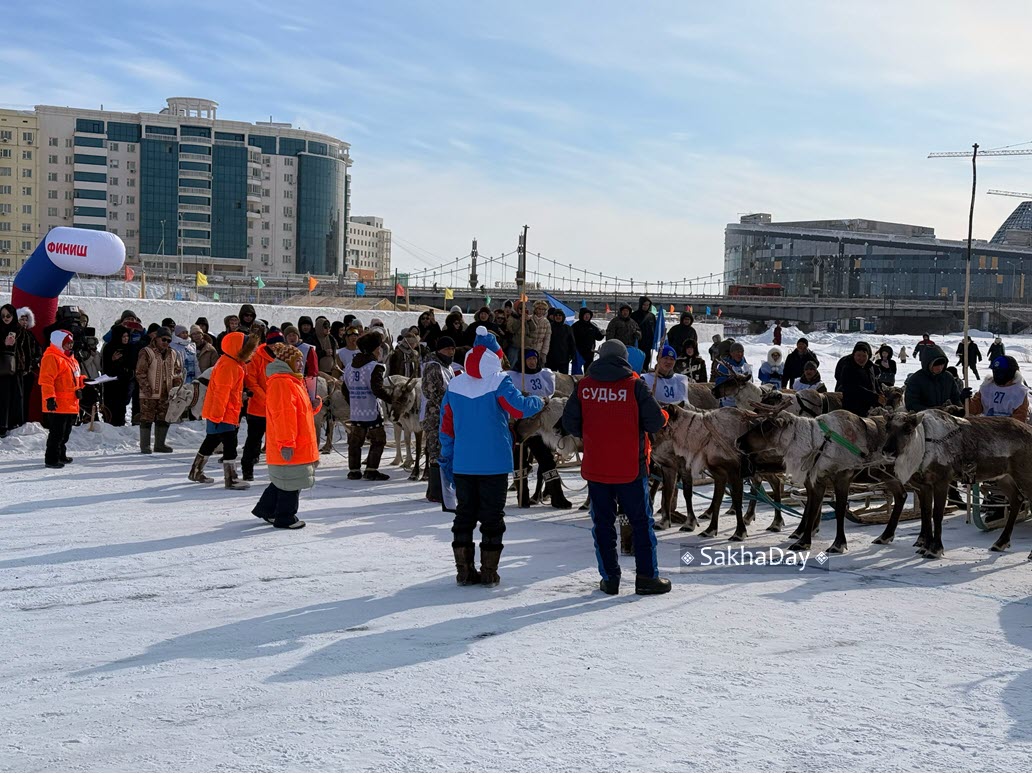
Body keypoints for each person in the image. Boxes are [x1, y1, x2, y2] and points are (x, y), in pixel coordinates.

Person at [562, 338, 670, 596]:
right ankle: (646, 578)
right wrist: (664, 415)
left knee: (603, 525)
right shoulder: (635, 386)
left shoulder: (584, 386)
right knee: (641, 523)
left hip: (597, 467)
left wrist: (590, 433)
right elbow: (656, 423)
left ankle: (610, 579)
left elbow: (569, 422)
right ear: (624, 358)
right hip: (630, 468)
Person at [439, 327, 544, 586]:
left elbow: (446, 428)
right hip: (494, 464)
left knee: (464, 516)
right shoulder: (499, 381)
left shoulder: (455, 383)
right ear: (495, 357)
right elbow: (518, 409)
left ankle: (463, 570)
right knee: (492, 518)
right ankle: (489, 571)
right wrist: (539, 401)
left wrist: (448, 457)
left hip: (463, 463)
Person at [251, 343, 319, 530]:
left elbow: (299, 413)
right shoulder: (283, 382)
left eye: (301, 361)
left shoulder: (292, 381)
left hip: (298, 441)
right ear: (287, 361)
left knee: (283, 480)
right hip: (291, 443)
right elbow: (283, 416)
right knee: (291, 481)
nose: (300, 365)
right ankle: (285, 517)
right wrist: (286, 443)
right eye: (297, 361)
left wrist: (313, 406)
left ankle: (266, 509)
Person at [189, 331, 259, 488]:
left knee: (211, 440)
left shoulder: (230, 362)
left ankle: (195, 471)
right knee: (230, 444)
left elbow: (228, 390)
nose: (252, 353)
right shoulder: (229, 365)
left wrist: (241, 395)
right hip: (223, 413)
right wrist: (218, 415)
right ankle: (231, 478)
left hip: (221, 411)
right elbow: (222, 392)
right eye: (250, 349)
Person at [506, 349, 570, 508]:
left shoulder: (544, 375)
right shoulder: (513, 377)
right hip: (520, 425)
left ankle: (556, 495)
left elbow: (548, 394)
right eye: (528, 359)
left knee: (547, 461)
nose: (532, 362)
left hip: (540, 424)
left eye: (534, 359)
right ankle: (523, 496)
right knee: (519, 462)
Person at [342, 331, 392, 481]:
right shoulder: (375, 367)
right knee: (379, 439)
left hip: (356, 410)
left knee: (356, 440)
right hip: (371, 409)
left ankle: (354, 470)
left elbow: (345, 389)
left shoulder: (350, 366)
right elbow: (377, 389)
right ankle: (371, 469)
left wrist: (354, 402)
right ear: (374, 349)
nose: (380, 350)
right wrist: (392, 399)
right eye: (379, 347)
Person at [38, 330, 84, 468]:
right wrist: (50, 398)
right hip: (57, 404)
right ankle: (51, 459)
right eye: (67, 343)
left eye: (71, 343)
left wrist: (83, 382)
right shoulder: (51, 357)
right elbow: (46, 381)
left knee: (65, 433)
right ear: (59, 343)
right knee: (56, 433)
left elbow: (74, 378)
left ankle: (61, 454)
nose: (70, 346)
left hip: (70, 403)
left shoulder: (71, 359)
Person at [135, 327, 183, 453]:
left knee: (164, 418)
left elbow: (177, 372)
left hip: (167, 393)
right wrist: (146, 387)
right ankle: (145, 445)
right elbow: (140, 372)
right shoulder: (146, 352)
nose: (166, 343)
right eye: (163, 339)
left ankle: (160, 444)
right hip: (149, 392)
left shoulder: (173, 353)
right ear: (156, 338)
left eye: (168, 340)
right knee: (147, 418)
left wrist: (176, 387)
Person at [421, 336, 458, 503]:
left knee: (443, 452)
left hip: (445, 415)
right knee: (436, 453)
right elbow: (430, 392)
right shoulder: (433, 367)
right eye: (447, 349)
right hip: (435, 415)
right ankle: (435, 491)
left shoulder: (447, 367)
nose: (451, 352)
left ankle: (440, 489)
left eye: (453, 349)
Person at [240, 329, 280, 481]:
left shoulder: (284, 357)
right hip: (258, 409)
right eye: (274, 342)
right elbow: (251, 382)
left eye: (279, 342)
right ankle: (247, 470)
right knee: (253, 441)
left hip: (277, 409)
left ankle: (276, 473)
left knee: (276, 443)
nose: (277, 346)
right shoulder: (256, 357)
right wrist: (267, 398)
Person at [904, 343, 969, 412]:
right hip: (923, 417)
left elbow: (955, 399)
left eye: (942, 365)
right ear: (928, 364)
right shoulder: (916, 380)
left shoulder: (948, 377)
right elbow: (911, 404)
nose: (940, 368)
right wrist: (932, 410)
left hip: (946, 416)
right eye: (936, 365)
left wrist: (961, 398)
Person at [969, 355, 1029, 421]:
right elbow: (974, 409)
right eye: (995, 371)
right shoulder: (987, 387)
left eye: (1001, 372)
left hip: (1008, 429)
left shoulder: (1019, 392)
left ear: (1011, 372)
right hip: (986, 428)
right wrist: (967, 401)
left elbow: (1019, 420)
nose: (997, 374)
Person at [834, 342, 883, 417]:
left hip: (869, 406)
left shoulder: (870, 367)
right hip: (852, 407)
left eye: (864, 356)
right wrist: (874, 396)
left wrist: (880, 393)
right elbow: (852, 387)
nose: (861, 359)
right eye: (858, 355)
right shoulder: (848, 368)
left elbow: (875, 382)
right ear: (854, 355)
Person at [101, 324, 134, 426]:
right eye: (123, 336)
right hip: (111, 386)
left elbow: (131, 365)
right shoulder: (109, 348)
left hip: (124, 384)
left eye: (127, 336)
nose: (126, 339)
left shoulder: (129, 348)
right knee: (110, 410)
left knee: (121, 410)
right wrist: (113, 360)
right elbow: (105, 368)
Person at [0, 304, 23, 436]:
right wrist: (4, 344)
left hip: (17, 368)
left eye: (8, 315)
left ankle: (14, 423)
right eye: (3, 316)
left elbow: (25, 349)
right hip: (2, 368)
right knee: (3, 397)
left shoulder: (19, 329)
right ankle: (2, 425)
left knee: (16, 396)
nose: (5, 318)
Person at [16, 306, 41, 424]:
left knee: (26, 398)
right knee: (16, 398)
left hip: (29, 371)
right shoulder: (14, 334)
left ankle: (24, 420)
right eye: (22, 319)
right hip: (16, 372)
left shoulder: (30, 335)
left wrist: (34, 362)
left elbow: (38, 350)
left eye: (26, 319)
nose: (24, 322)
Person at [284, 324, 320, 403]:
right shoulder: (283, 350)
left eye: (294, 335)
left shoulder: (307, 348)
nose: (292, 338)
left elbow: (313, 368)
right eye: (289, 336)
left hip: (304, 381)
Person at [714, 342, 752, 407]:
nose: (740, 354)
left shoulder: (746, 367)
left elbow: (751, 383)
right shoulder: (724, 366)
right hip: (728, 403)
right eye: (737, 352)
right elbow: (718, 382)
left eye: (741, 352)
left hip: (743, 403)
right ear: (731, 353)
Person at [571, 307, 604, 374]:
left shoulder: (592, 326)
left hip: (589, 352)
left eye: (588, 315)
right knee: (577, 372)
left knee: (588, 372)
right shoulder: (575, 326)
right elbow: (571, 339)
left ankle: (587, 384)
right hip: (578, 352)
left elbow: (598, 337)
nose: (587, 316)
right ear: (581, 315)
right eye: (585, 314)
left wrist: (602, 334)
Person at [545, 307, 576, 374]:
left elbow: (572, 342)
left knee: (564, 378)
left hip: (563, 358)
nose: (558, 317)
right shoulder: (549, 327)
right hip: (551, 358)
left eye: (560, 315)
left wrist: (572, 354)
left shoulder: (567, 328)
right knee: (551, 377)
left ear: (563, 317)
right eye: (556, 315)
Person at [630, 297, 656, 371]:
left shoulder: (651, 316)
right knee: (637, 361)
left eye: (647, 305)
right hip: (637, 343)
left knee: (646, 360)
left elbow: (655, 329)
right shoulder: (634, 315)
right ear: (641, 304)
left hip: (648, 343)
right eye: (644, 304)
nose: (646, 306)